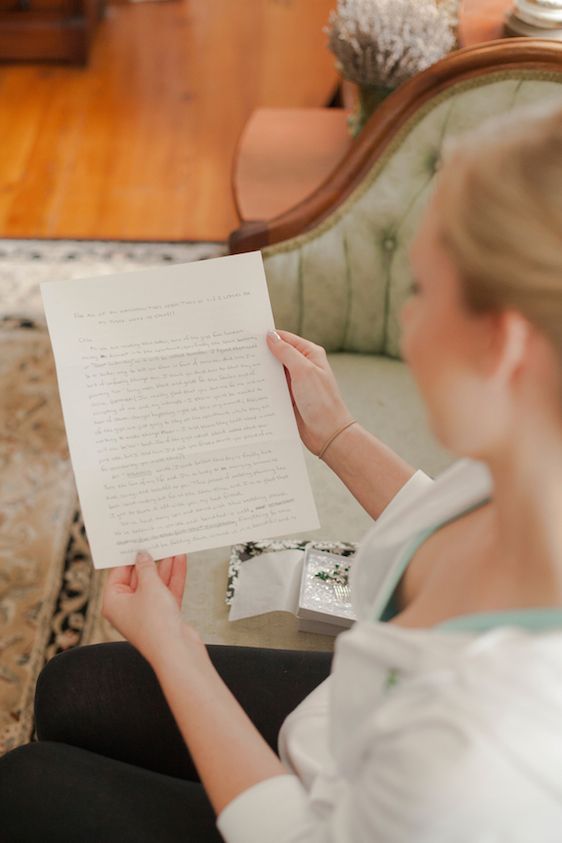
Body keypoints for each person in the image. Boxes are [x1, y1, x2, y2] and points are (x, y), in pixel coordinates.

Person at [1, 100, 562, 842]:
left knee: (28, 786)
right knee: (78, 688)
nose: (404, 324)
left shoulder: (469, 755)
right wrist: (335, 433)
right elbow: (439, 524)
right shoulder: (532, 454)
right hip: (348, 727)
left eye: (421, 290)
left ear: (507, 346)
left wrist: (177, 648)